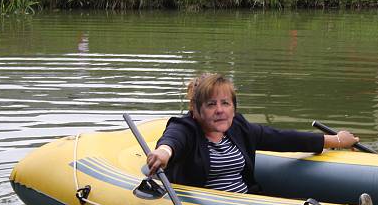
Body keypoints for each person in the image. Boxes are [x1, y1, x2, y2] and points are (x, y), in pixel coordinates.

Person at [146, 73, 359, 194]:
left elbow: (281, 138)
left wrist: (338, 140)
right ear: (196, 109)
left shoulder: (238, 127)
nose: (220, 110)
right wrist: (164, 152)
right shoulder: (187, 128)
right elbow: (173, 139)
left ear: (234, 107)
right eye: (211, 104)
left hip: (247, 203)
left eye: (226, 103)